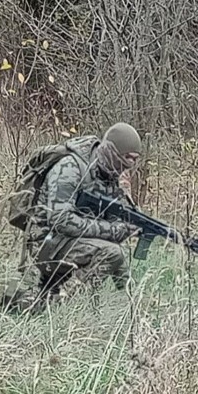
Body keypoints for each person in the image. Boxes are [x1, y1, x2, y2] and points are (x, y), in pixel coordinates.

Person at [26, 122, 143, 302]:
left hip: (71, 241)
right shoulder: (70, 168)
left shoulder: (109, 174)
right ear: (112, 151)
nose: (130, 164)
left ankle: (129, 305)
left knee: (119, 256)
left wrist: (129, 225)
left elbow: (114, 222)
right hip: (46, 241)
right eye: (127, 157)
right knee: (112, 253)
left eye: (135, 159)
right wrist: (111, 230)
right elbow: (60, 220)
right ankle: (68, 303)